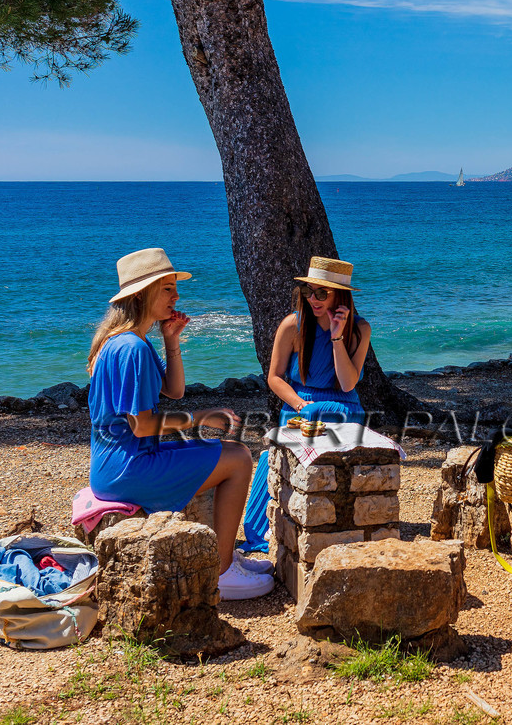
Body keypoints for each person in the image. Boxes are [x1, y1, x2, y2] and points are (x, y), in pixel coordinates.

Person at [87, 247, 273, 600]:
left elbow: (174, 390)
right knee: (239, 458)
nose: (177, 296)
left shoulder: (129, 342)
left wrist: (171, 341)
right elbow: (142, 425)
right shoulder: (131, 348)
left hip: (117, 465)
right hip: (129, 469)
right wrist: (202, 419)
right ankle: (222, 572)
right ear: (143, 294)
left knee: (231, 452)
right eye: (168, 289)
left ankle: (225, 557)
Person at [241, 256, 370, 552]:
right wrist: (301, 405)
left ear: (340, 295)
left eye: (321, 293)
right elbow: (274, 378)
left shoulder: (360, 329)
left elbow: (348, 383)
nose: (313, 299)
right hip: (300, 407)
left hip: (344, 407)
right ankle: (259, 532)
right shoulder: (292, 325)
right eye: (308, 292)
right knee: (272, 457)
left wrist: (337, 337)